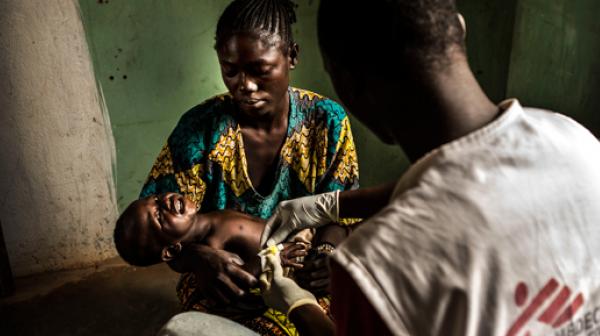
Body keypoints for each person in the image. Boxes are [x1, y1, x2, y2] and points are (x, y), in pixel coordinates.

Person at [259, 0, 600, 335]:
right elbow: (471, 178)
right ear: (459, 31)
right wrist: (330, 204)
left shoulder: (377, 267)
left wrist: (298, 304)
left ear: (349, 86)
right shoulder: (576, 141)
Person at [138, 0, 359, 333]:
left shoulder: (327, 122)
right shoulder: (199, 130)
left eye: (259, 69)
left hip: (303, 273)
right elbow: (155, 234)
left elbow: (340, 213)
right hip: (224, 278)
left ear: (292, 56)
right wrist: (199, 260)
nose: (245, 85)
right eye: (231, 70)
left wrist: (327, 253)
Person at [113, 192, 347, 330]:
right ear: (171, 250)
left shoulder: (211, 216)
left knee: (337, 228)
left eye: (154, 198)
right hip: (289, 263)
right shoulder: (213, 249)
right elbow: (241, 279)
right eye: (158, 216)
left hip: (300, 237)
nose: (164, 201)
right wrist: (274, 255)